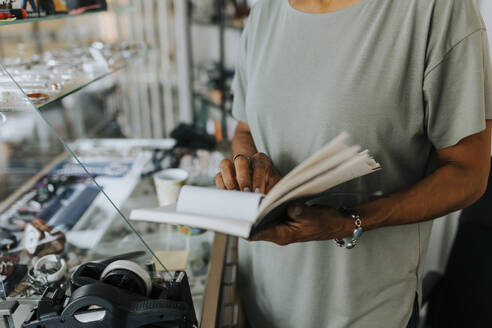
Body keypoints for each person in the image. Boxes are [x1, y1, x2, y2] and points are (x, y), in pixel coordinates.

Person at [215, 0, 492, 327]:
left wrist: (349, 222)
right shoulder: (265, 11)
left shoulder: (437, 9)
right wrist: (247, 162)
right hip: (260, 300)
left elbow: (469, 173)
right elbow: (246, 128)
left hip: (368, 311)